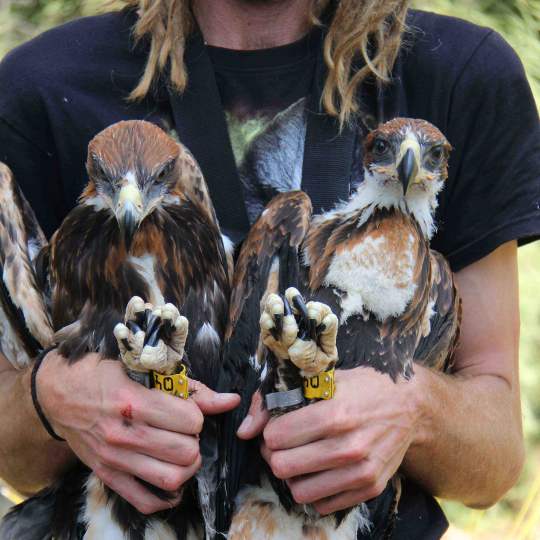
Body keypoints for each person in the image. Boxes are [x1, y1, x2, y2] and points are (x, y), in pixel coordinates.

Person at [0, 0, 538, 537]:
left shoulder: (459, 74)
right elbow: (17, 462)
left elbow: (494, 459)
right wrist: (52, 398)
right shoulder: (41, 86)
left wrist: (413, 409)